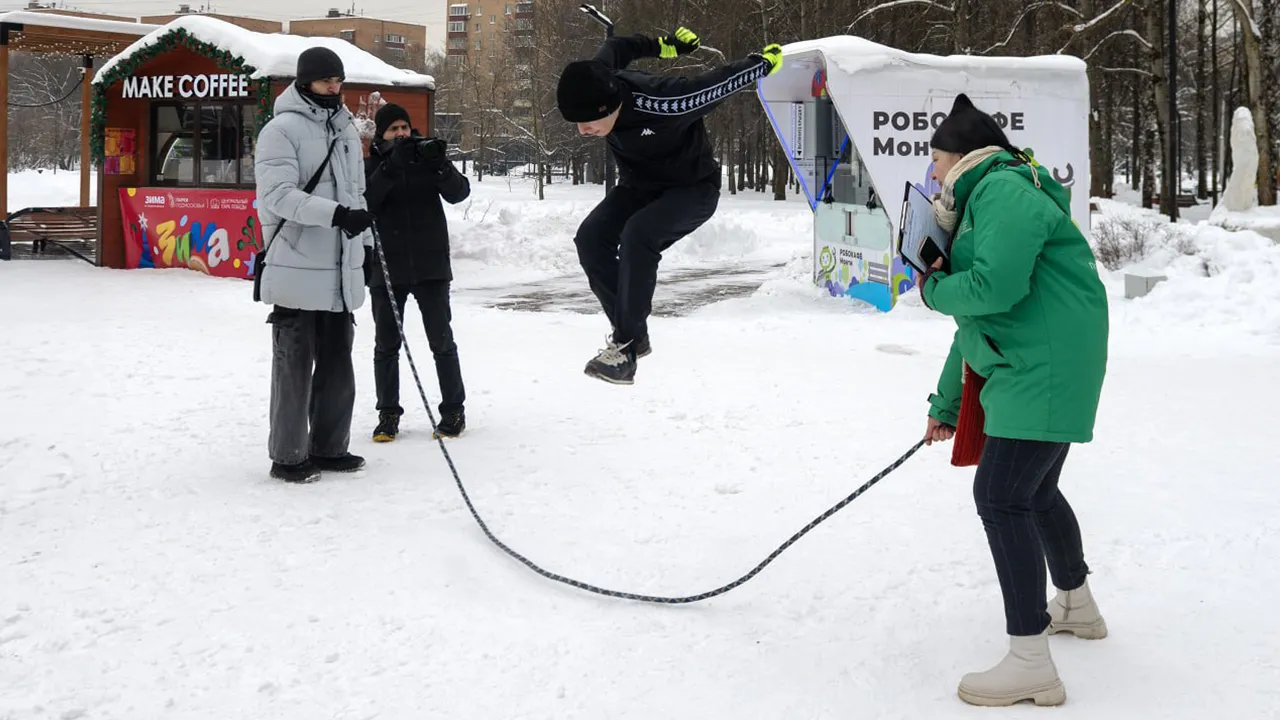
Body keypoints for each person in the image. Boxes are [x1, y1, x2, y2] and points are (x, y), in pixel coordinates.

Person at [917, 93, 1110, 707]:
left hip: (1044, 365)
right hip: (1036, 361)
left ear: (963, 157)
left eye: (936, 161)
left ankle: (1030, 660)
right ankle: (1076, 605)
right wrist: (946, 404)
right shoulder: (986, 198)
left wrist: (932, 289)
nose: (933, 175)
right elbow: (974, 318)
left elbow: (992, 289)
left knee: (1001, 497)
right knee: (1034, 492)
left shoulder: (1001, 192)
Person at [555, 27, 782, 384]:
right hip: (639, 186)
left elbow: (714, 85)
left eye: (589, 121)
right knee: (591, 238)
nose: (584, 130)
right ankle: (633, 337)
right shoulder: (597, 74)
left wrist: (760, 64)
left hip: (692, 189)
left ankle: (625, 346)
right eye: (577, 123)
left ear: (610, 104)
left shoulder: (665, 101)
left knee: (638, 235)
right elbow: (619, 45)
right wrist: (666, 45)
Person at [254, 46, 374, 483]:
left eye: (339, 81)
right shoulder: (280, 130)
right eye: (327, 81)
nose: (334, 88)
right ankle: (288, 455)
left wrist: (365, 247)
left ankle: (329, 446)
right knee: (295, 365)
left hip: (340, 265)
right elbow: (277, 195)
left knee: (338, 362)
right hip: (295, 262)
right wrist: (336, 215)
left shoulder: (344, 129)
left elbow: (356, 197)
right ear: (304, 82)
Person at [363, 103, 471, 441]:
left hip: (431, 266)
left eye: (404, 128)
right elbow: (365, 201)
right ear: (381, 134)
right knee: (386, 346)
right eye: (393, 129)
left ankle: (454, 411)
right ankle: (388, 415)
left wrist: (439, 166)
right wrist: (391, 168)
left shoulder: (427, 157)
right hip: (387, 267)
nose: (401, 134)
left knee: (442, 341)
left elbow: (459, 192)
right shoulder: (373, 165)